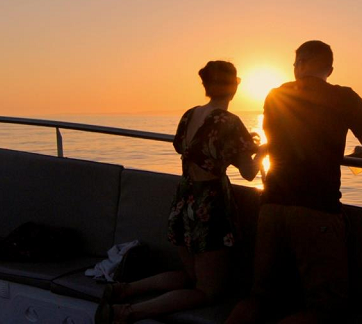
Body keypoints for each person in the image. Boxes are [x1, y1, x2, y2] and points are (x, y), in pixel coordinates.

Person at [226, 40, 362, 324]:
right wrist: (360, 153)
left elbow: (280, 141)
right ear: (329, 68)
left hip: (272, 206)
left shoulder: (275, 95)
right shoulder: (345, 98)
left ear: (300, 65)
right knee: (326, 309)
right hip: (317, 211)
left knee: (260, 299)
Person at [96, 60, 267, 323]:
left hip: (183, 200)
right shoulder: (229, 122)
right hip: (210, 207)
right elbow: (248, 172)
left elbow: (187, 148)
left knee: (190, 276)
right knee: (208, 291)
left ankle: (123, 290)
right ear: (236, 85)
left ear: (206, 86)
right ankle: (125, 313)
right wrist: (265, 149)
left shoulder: (189, 114)